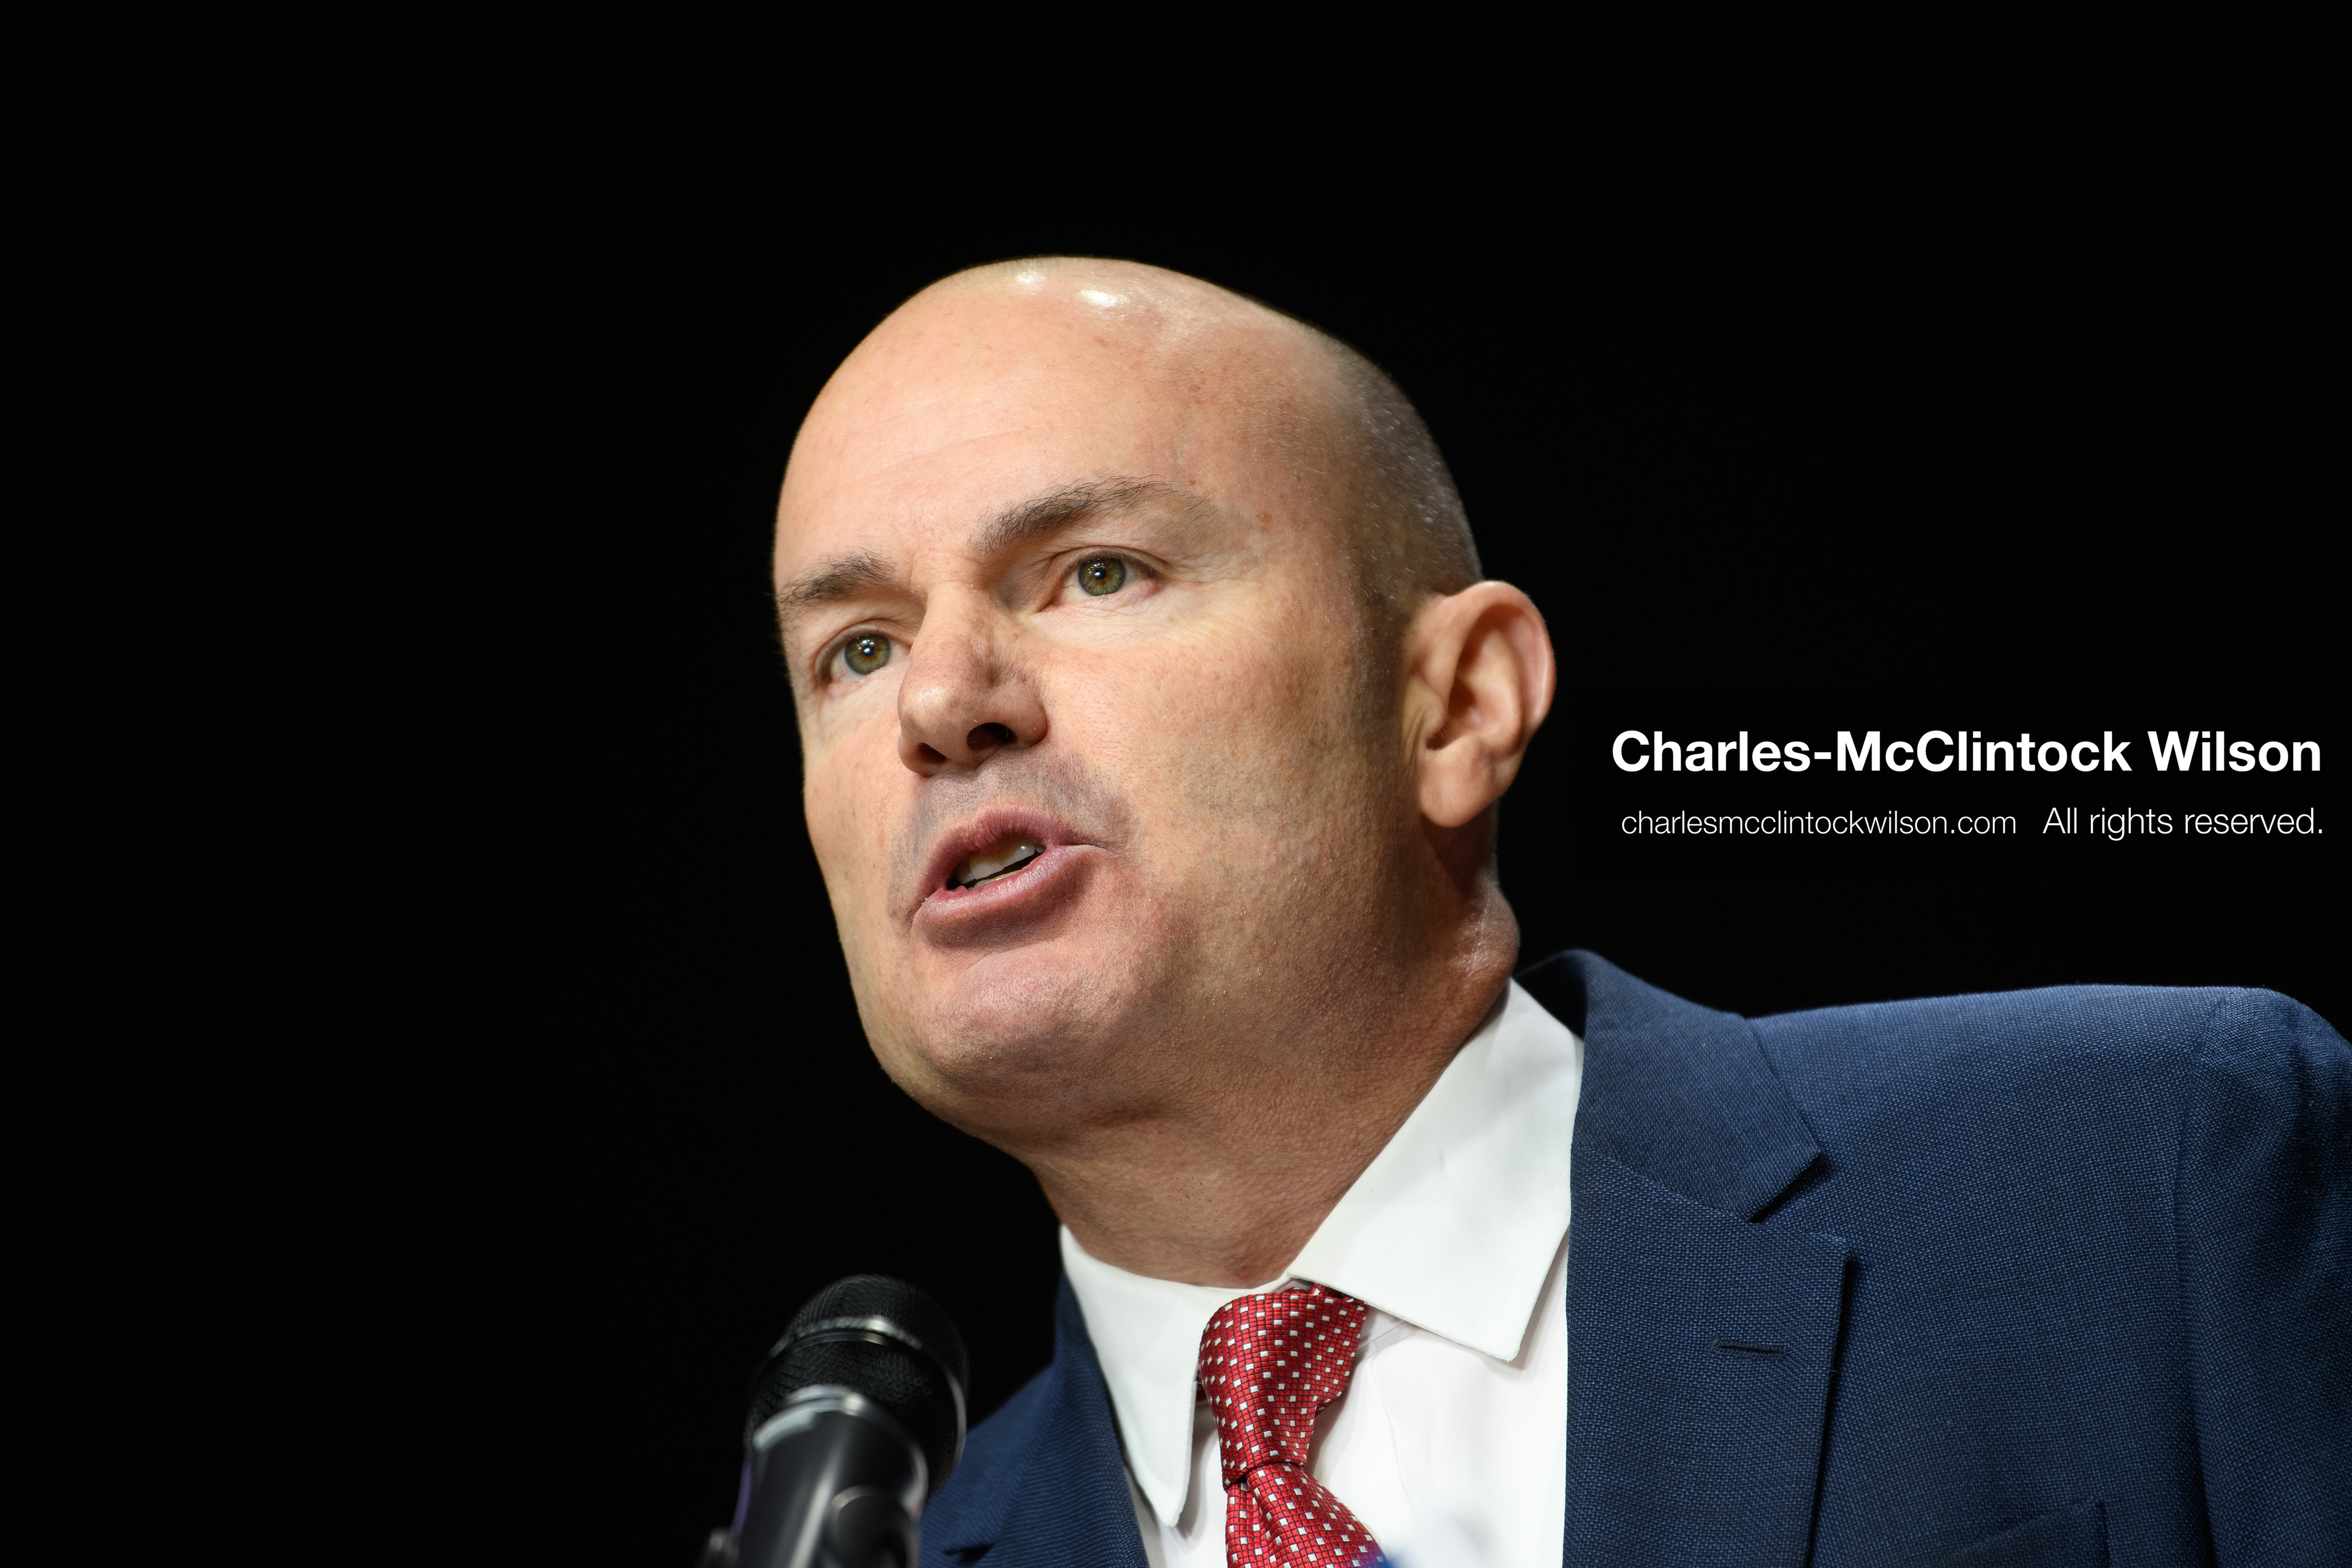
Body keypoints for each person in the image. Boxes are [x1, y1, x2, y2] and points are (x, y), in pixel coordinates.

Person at [769, 258, 2347, 1567]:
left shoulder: (2143, 1179)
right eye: (855, 647)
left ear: (1455, 705)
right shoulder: (901, 1543)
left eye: (1094, 572)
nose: (943, 703)